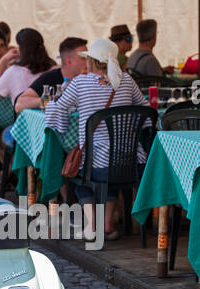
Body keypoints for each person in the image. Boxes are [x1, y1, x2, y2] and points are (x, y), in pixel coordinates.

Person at [45, 38, 149, 241]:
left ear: (91, 61)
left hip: (97, 164)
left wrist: (60, 119)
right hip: (132, 162)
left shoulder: (80, 83)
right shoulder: (127, 81)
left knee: (81, 176)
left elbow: (58, 107)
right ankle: (107, 223)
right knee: (111, 172)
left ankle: (93, 225)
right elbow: (145, 110)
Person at [15, 37, 88, 114]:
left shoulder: (90, 79)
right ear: (69, 62)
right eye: (83, 58)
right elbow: (19, 104)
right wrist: (50, 101)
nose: (88, 62)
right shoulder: (50, 77)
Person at [0, 28, 56, 105]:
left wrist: (3, 60)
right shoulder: (54, 69)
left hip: (24, 115)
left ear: (22, 49)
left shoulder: (13, 72)